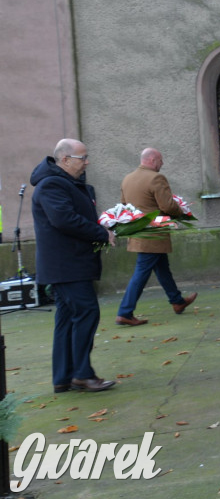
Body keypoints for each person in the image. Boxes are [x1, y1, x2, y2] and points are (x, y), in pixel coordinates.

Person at [30, 139, 117, 393]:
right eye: (83, 157)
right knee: (87, 312)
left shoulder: (65, 183)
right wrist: (100, 233)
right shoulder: (52, 184)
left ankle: (63, 377)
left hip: (69, 263)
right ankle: (82, 374)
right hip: (66, 266)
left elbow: (75, 216)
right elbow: (64, 219)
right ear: (65, 160)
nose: (87, 162)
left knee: (68, 318)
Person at [115, 148, 196, 325]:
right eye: (160, 160)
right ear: (152, 160)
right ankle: (125, 312)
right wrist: (181, 209)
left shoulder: (127, 178)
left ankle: (177, 301)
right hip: (154, 233)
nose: (162, 163)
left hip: (138, 232)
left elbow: (123, 205)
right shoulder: (156, 178)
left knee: (161, 267)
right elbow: (167, 206)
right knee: (142, 272)